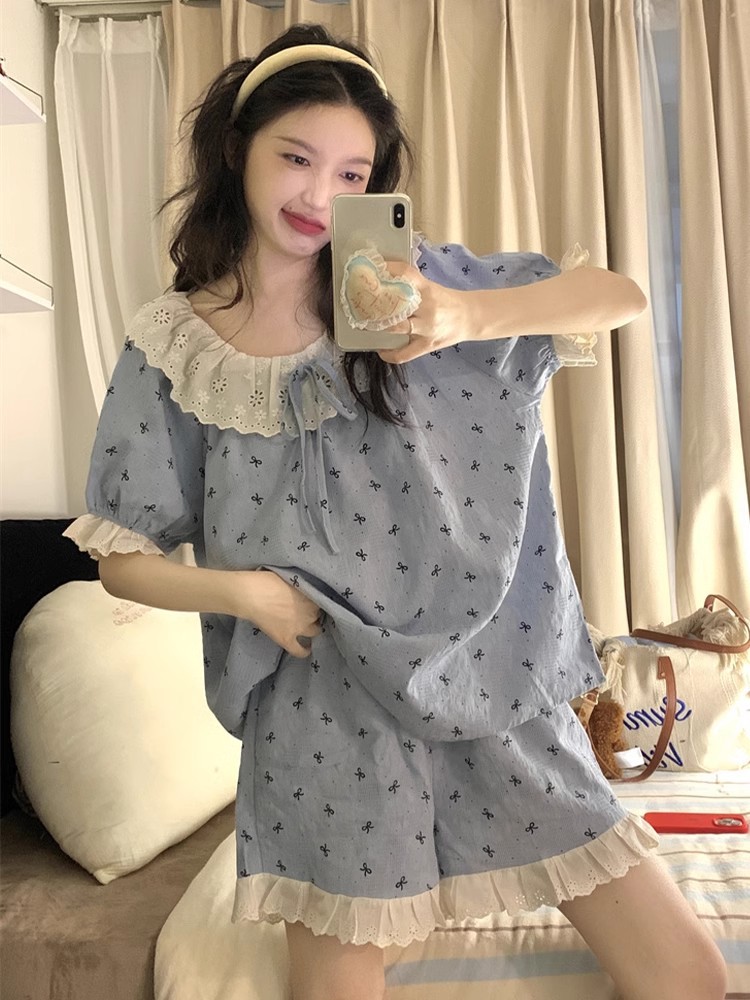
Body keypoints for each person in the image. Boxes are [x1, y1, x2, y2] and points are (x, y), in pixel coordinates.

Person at [64, 22, 726, 1000]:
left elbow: (616, 295)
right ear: (237, 149)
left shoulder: (411, 284)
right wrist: (247, 593)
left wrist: (466, 315)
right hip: (319, 708)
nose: (317, 196)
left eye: (351, 174)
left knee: (686, 974)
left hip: (485, 673)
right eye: (295, 159)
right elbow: (122, 559)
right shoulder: (174, 346)